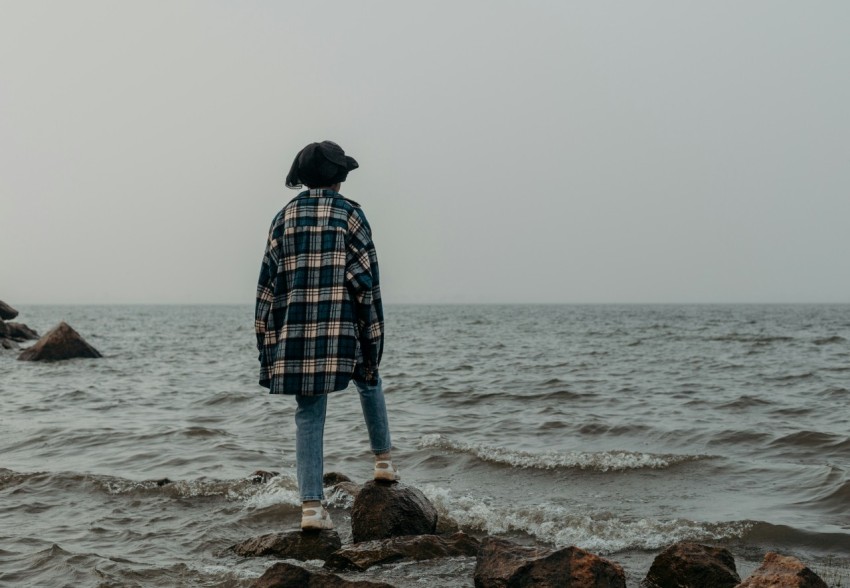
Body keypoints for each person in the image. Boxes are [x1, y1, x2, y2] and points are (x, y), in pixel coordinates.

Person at [255, 140, 398, 531]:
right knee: (369, 380)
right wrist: (373, 338)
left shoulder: (283, 217)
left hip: (296, 333)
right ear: (338, 179)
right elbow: (366, 283)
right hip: (345, 328)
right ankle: (383, 462)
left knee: (308, 413)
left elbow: (267, 286)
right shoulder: (350, 215)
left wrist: (265, 343)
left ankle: (311, 508)